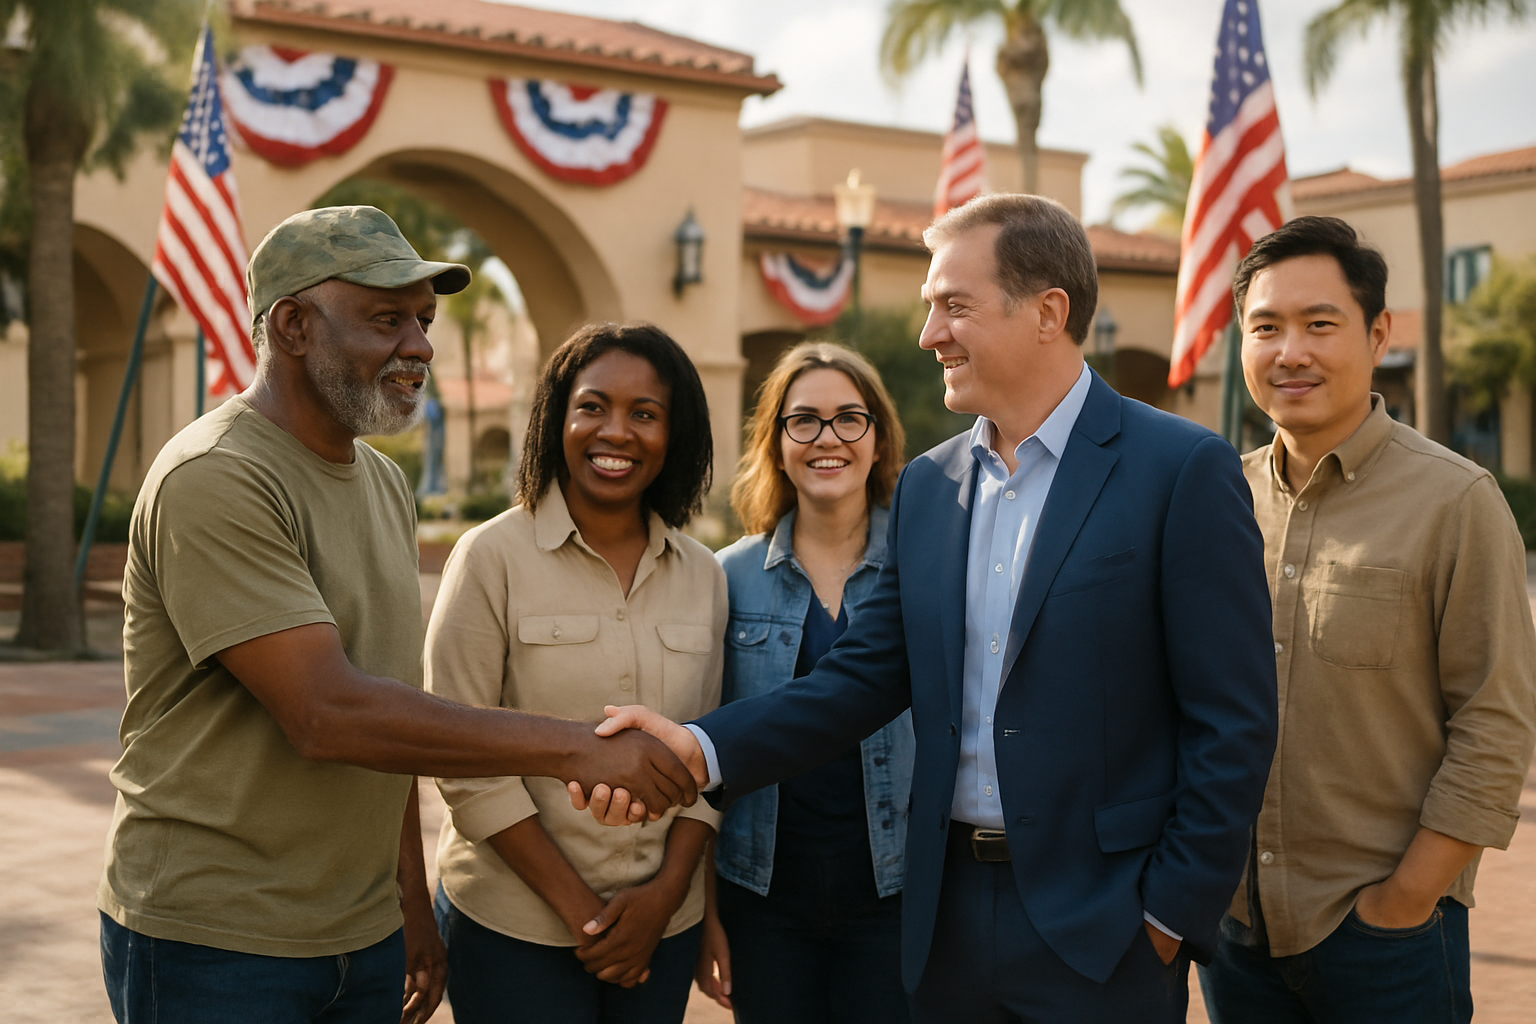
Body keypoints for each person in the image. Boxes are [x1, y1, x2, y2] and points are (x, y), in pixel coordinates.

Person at [589, 193, 1280, 1023]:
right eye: (930, 308)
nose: (928, 335)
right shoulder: (929, 485)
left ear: (1047, 313)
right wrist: (700, 748)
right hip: (942, 922)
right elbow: (863, 676)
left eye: (954, 305)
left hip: (1108, 930)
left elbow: (1233, 722)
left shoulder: (1182, 469)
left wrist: (1168, 914)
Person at [98, 207, 697, 1024]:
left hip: (359, 931)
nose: (419, 345)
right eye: (386, 319)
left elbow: (390, 720)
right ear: (294, 326)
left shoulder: (380, 485)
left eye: (423, 319)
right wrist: (574, 750)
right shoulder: (217, 476)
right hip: (220, 939)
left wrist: (410, 901)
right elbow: (328, 714)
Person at [1199, 215, 1536, 1024]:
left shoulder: (1455, 501)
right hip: (1233, 929)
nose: (1292, 352)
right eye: (1266, 327)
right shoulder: (1212, 500)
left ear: (1378, 333)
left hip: (1385, 939)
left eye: (1321, 324)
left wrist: (1403, 903)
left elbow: (1494, 724)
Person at [426, 323, 725, 1024]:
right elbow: (462, 758)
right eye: (592, 407)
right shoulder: (489, 558)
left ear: (673, 432)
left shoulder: (705, 576)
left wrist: (663, 898)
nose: (614, 432)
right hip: (512, 926)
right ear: (557, 419)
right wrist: (585, 915)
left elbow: (714, 758)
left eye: (644, 414)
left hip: (662, 925)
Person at [693, 342, 915, 1023]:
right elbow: (707, 764)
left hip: (895, 896)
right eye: (804, 420)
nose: (828, 438)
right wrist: (705, 911)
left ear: (877, 440)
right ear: (777, 443)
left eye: (850, 418)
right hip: (762, 899)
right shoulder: (725, 578)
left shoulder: (927, 569)